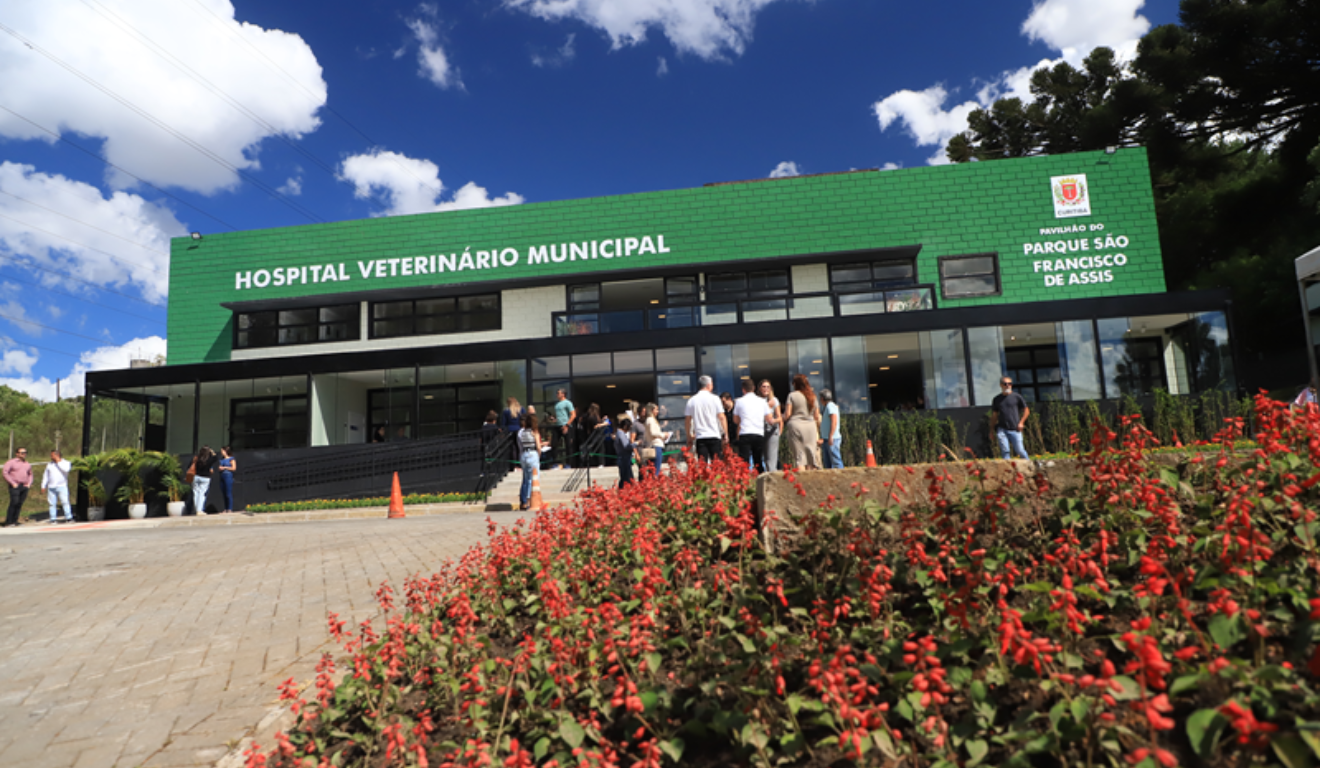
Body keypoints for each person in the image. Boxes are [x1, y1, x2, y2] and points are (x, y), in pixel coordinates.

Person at [685, 375, 728, 461]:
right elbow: (722, 417)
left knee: (702, 465)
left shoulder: (692, 400)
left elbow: (687, 420)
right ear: (708, 385)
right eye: (712, 384)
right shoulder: (715, 399)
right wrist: (725, 433)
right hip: (714, 435)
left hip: (700, 437)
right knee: (716, 465)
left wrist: (689, 436)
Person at [732, 378, 771, 473]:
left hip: (745, 432)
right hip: (758, 433)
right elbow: (769, 418)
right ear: (754, 388)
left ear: (743, 389)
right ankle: (761, 482)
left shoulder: (739, 401)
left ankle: (745, 483)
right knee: (758, 460)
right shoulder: (762, 401)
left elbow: (735, 420)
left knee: (744, 461)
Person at [783, 374, 821, 469]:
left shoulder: (792, 395)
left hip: (796, 425)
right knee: (810, 456)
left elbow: (787, 414)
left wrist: (780, 419)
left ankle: (801, 481)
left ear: (795, 384)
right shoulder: (813, 396)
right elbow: (816, 416)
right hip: (810, 427)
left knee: (800, 457)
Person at [990, 377, 1031, 460]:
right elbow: (994, 415)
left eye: (1010, 384)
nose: (1008, 386)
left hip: (1015, 428)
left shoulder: (1017, 397)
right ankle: (1008, 470)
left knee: (1020, 450)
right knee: (1005, 451)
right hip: (1002, 428)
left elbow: (1026, 410)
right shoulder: (997, 399)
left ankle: (1029, 466)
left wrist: (1021, 422)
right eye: (1005, 384)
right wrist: (991, 430)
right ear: (1001, 385)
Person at [517, 413, 543, 511]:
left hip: (524, 455)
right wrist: (539, 455)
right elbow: (538, 446)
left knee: (526, 479)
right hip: (532, 454)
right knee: (534, 479)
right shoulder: (534, 431)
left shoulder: (523, 432)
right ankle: (531, 500)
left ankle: (524, 502)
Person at [42, 449, 73, 524]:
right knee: (52, 503)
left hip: (62, 486)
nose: (51, 457)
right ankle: (53, 518)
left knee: (65, 502)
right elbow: (46, 475)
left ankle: (68, 517)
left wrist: (58, 462)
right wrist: (43, 485)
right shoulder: (49, 464)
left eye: (52, 455)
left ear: (57, 455)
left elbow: (66, 470)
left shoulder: (66, 463)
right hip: (51, 487)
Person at [3, 447, 32, 528]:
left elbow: (30, 474)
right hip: (15, 485)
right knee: (14, 502)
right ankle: (9, 521)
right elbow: (5, 473)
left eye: (25, 452)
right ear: (17, 454)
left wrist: (29, 483)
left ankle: (15, 521)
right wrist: (12, 483)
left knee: (19, 503)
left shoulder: (27, 463)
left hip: (24, 486)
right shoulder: (11, 462)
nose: (24, 454)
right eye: (22, 452)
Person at [760, 379, 783, 472]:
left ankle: (772, 481)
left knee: (771, 460)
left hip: (772, 431)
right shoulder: (757, 400)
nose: (766, 389)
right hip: (761, 431)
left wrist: (774, 422)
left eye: (768, 387)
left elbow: (779, 417)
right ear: (760, 388)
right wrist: (767, 406)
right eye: (764, 386)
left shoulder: (774, 400)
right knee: (764, 459)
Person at [643, 403, 671, 479]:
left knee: (654, 470)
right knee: (656, 470)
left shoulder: (650, 420)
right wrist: (663, 435)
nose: (658, 411)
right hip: (656, 446)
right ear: (651, 410)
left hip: (654, 445)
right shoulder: (651, 420)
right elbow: (653, 432)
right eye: (656, 410)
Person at [552, 389, 577, 470]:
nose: (556, 394)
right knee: (554, 444)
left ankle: (568, 464)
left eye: (558, 393)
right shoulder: (556, 404)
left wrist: (567, 425)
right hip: (558, 425)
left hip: (566, 425)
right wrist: (555, 419)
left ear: (563, 394)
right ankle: (555, 463)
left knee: (568, 446)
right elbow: (560, 415)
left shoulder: (568, 403)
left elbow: (573, 415)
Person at [818, 389, 842, 469]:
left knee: (835, 460)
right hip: (827, 438)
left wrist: (831, 436)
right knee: (828, 462)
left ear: (822, 398)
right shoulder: (830, 406)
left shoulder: (830, 406)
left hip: (832, 438)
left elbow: (834, 420)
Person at [191, 445, 217, 516]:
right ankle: (199, 510)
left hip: (196, 477)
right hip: (205, 477)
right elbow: (215, 457)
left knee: (196, 493)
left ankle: (197, 509)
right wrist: (211, 451)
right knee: (202, 494)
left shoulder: (197, 458)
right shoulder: (209, 459)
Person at [615, 417, 637, 487]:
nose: (629, 429)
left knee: (626, 477)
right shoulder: (621, 434)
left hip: (624, 458)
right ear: (625, 426)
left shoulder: (619, 433)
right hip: (624, 458)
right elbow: (626, 446)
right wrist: (636, 443)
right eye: (629, 427)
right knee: (626, 478)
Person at [218, 446, 237, 514]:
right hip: (222, 475)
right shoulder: (221, 460)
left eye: (222, 451)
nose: (221, 452)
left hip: (228, 476)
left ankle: (229, 508)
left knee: (228, 493)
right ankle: (225, 508)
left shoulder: (231, 459)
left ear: (226, 451)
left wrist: (225, 467)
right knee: (224, 493)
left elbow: (234, 468)